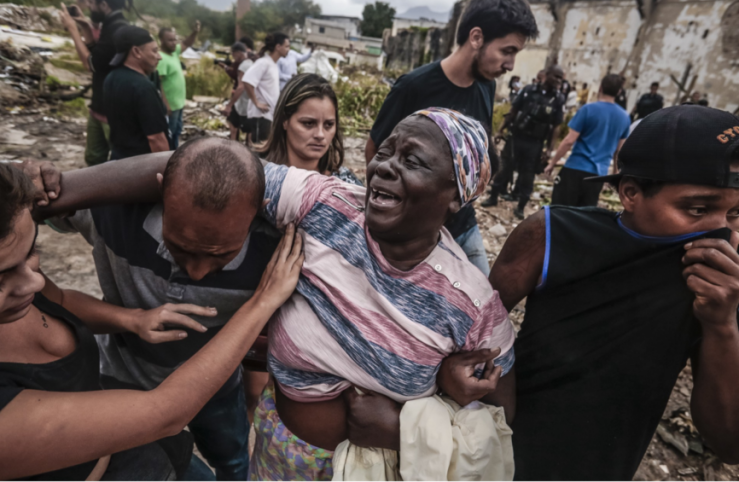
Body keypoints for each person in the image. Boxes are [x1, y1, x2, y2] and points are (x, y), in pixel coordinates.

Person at [36, 109, 517, 481]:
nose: (386, 167)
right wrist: (44, 190)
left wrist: (407, 428)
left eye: (412, 161)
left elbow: (499, 422)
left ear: (457, 195)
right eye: (386, 151)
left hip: (382, 467)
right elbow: (208, 165)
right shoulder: (324, 204)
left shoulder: (471, 303)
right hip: (279, 450)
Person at [350, 106, 739, 480]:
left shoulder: (728, 285)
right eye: (698, 209)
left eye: (736, 212)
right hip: (496, 452)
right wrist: (448, 377)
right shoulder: (553, 235)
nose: (724, 232)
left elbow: (738, 444)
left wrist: (720, 324)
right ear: (630, 193)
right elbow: (467, 327)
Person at [0, 162, 304, 480]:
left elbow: (60, 301)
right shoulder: (112, 221)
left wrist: (132, 319)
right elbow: (165, 413)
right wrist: (263, 302)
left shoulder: (22, 281)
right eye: (2, 277)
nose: (35, 282)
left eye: (32, 251)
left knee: (231, 459)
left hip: (141, 447)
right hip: (132, 443)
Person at [364, 0, 539, 276]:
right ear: (476, 37)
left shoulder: (486, 87)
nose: (510, 65)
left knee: (484, 294)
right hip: (415, 233)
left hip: (463, 225)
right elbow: (375, 150)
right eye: (506, 51)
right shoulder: (414, 87)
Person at [58, 0, 132, 166]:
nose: (88, 6)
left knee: (120, 164)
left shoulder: (117, 30)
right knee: (94, 160)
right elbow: (99, 56)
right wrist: (85, 26)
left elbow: (89, 64)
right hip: (99, 107)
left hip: (113, 114)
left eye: (91, 2)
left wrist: (72, 29)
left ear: (104, 4)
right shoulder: (110, 25)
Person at [482, 64, 565, 219]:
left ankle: (520, 206)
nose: (559, 81)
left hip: (535, 143)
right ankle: (493, 196)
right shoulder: (528, 91)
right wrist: (500, 130)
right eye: (556, 76)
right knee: (504, 167)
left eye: (561, 78)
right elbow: (513, 111)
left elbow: (556, 127)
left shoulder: (558, 99)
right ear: (547, 74)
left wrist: (549, 149)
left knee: (528, 175)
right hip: (516, 137)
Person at [257, 73, 362, 185]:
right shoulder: (258, 179)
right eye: (308, 123)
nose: (320, 134)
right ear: (285, 121)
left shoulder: (346, 183)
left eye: (329, 124)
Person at [544, 73, 631, 207]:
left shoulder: (588, 109)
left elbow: (569, 141)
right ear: (619, 91)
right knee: (584, 215)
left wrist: (552, 163)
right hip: (598, 175)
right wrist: (615, 174)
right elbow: (619, 151)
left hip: (575, 169)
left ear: (600, 87)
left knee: (560, 211)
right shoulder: (624, 117)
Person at [103, 26, 170, 160]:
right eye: (154, 51)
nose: (159, 57)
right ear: (136, 52)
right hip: (142, 165)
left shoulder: (111, 77)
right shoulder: (143, 87)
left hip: (119, 160)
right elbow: (156, 139)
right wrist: (167, 168)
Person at [157, 21, 201, 150]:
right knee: (169, 135)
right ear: (161, 41)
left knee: (177, 131)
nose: (174, 43)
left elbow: (186, 43)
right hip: (170, 106)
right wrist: (165, 104)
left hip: (179, 104)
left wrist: (195, 32)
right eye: (170, 40)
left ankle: (175, 154)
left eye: (174, 39)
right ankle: (168, 157)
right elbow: (158, 84)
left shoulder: (174, 53)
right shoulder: (161, 59)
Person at [242, 33, 291, 145]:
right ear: (278, 47)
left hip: (268, 116)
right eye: (287, 46)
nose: (288, 49)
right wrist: (256, 102)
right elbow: (247, 81)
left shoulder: (272, 64)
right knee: (258, 150)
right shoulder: (263, 63)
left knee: (265, 150)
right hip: (261, 116)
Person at [223, 42, 255, 142]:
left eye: (233, 53)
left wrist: (229, 105)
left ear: (239, 52)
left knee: (233, 127)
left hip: (242, 103)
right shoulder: (251, 63)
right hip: (249, 102)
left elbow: (241, 87)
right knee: (249, 132)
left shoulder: (243, 66)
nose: (233, 56)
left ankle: (233, 147)